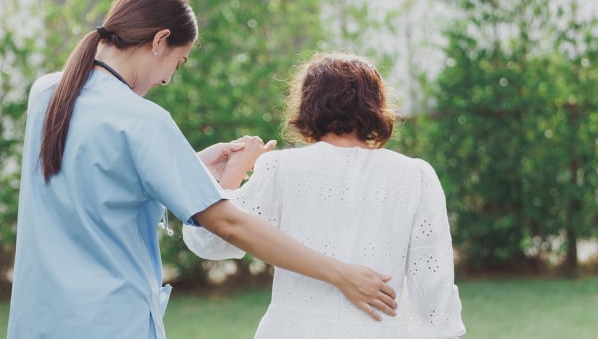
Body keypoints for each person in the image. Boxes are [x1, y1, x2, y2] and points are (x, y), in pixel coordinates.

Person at [6, 0, 396, 339]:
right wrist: (340, 274)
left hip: (38, 321)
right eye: (179, 62)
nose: (167, 80)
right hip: (110, 323)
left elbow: (93, 180)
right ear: (160, 40)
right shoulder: (143, 121)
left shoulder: (48, 93)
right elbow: (228, 224)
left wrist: (189, 165)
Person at [183, 52, 466, 338]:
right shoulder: (416, 176)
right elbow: (434, 292)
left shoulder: (281, 168)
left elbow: (210, 241)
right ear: (376, 106)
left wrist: (234, 170)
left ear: (308, 104)